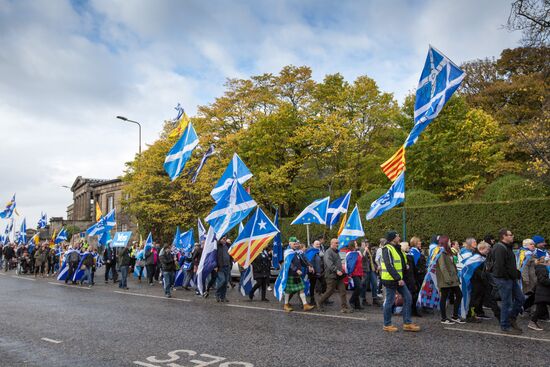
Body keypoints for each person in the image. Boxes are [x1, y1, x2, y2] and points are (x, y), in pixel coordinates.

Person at [379, 231, 420, 332]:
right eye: (397, 236)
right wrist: (398, 278)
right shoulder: (386, 249)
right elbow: (389, 265)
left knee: (408, 298)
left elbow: (401, 261)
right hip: (390, 279)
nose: (399, 237)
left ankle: (407, 323)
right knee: (389, 301)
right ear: (393, 238)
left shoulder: (397, 248)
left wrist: (405, 266)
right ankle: (387, 324)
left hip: (398, 279)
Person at [489, 228, 524, 334]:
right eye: (510, 234)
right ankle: (505, 326)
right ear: (504, 236)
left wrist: (516, 273)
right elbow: (500, 267)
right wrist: (510, 275)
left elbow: (509, 264)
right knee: (507, 303)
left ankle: (511, 318)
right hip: (504, 279)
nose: (512, 236)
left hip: (510, 278)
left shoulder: (507, 247)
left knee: (521, 299)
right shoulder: (499, 248)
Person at [316, 238, 351, 313]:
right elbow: (329, 264)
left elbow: (338, 263)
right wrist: (336, 270)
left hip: (338, 275)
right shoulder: (328, 252)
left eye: (338, 243)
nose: (337, 244)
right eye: (336, 243)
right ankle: (319, 302)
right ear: (331, 243)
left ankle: (344, 307)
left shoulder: (336, 252)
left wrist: (341, 270)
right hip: (331, 276)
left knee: (343, 291)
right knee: (329, 291)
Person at [436, 235, 464, 325]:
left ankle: (455, 316)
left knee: (459, 295)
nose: (450, 242)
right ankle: (444, 318)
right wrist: (448, 279)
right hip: (446, 279)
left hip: (452, 278)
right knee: (444, 298)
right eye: (449, 241)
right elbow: (442, 267)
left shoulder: (448, 252)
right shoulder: (441, 252)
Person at [282, 239, 314, 312]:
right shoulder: (287, 252)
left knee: (301, 288)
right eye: (294, 244)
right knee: (288, 290)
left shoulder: (296, 252)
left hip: (297, 274)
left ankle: (305, 305)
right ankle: (286, 305)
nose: (296, 245)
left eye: (296, 244)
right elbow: (289, 264)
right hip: (291, 274)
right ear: (290, 244)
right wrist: (296, 269)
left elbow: (302, 262)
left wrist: (309, 266)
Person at [465, 241, 493, 322]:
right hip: (476, 282)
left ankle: (478, 313)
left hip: (481, 282)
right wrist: (483, 275)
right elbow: (474, 270)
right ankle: (471, 315)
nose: (488, 251)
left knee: (479, 299)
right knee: (474, 299)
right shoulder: (476, 257)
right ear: (481, 249)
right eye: (487, 249)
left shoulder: (481, 257)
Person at [528, 257, 550, 331]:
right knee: (539, 309)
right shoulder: (542, 268)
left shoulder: (545, 268)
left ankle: (533, 322)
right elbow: (543, 280)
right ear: (545, 262)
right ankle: (532, 322)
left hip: (544, 292)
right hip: (543, 291)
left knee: (540, 308)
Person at [359, 239, 380, 307]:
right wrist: (365, 250)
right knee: (364, 285)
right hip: (365, 270)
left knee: (374, 283)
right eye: (365, 243)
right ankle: (363, 299)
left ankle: (375, 299)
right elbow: (361, 258)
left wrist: (376, 267)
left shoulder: (370, 250)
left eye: (367, 242)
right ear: (362, 243)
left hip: (371, 269)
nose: (367, 244)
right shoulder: (361, 250)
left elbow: (372, 260)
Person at [344, 242, 364, 310]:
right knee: (359, 288)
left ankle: (357, 305)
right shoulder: (350, 253)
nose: (357, 244)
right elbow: (349, 264)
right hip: (354, 273)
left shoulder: (357, 252)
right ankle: (351, 300)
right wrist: (349, 273)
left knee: (357, 288)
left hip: (359, 272)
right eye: (355, 244)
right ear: (352, 245)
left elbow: (361, 260)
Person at [305, 240, 323, 305]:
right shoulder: (311, 251)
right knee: (312, 286)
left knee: (322, 285)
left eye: (319, 244)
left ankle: (322, 299)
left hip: (319, 271)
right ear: (313, 244)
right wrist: (310, 267)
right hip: (313, 272)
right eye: (317, 244)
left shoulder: (319, 251)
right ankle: (312, 300)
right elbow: (308, 261)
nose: (318, 245)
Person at [215, 236, 232, 302]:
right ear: (220, 239)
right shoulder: (217, 246)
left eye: (225, 238)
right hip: (220, 267)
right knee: (222, 280)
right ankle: (217, 294)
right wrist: (215, 266)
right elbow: (214, 256)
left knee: (225, 283)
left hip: (227, 266)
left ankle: (223, 297)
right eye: (223, 239)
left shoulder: (227, 246)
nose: (225, 240)